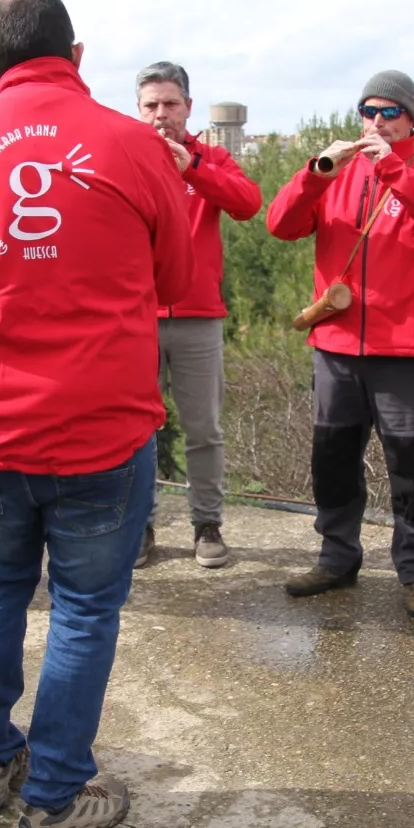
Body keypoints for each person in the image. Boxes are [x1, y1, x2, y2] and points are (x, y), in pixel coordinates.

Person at [0, 0, 193, 828]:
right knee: (82, 609)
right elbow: (176, 278)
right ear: (76, 56)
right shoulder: (133, 145)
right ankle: (58, 793)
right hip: (101, 430)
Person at [266, 70, 414, 621]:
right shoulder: (335, 172)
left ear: (410, 121)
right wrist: (314, 174)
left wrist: (393, 169)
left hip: (404, 350)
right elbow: (280, 223)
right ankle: (337, 557)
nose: (376, 122)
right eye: (368, 111)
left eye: (389, 113)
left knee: (407, 463)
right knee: (332, 458)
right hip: (335, 346)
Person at [133, 60, 262, 570]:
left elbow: (249, 203)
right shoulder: (123, 155)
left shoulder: (210, 157)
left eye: (170, 104)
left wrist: (192, 167)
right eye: (151, 105)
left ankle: (207, 525)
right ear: (137, 110)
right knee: (136, 430)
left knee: (203, 428)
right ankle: (139, 528)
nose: (160, 115)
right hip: (135, 316)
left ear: (188, 107)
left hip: (197, 314)